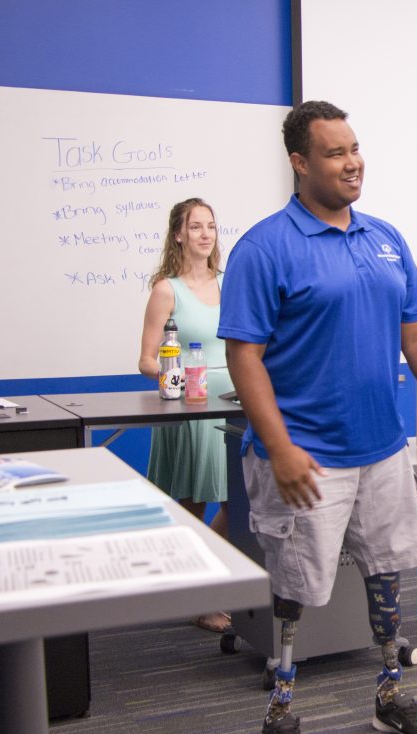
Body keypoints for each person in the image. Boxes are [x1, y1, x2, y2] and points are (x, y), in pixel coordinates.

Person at [218, 100, 417, 734]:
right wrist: (276, 447)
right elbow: (243, 356)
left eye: (355, 147)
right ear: (300, 163)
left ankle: (390, 691)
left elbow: (415, 331)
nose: (352, 161)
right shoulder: (265, 247)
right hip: (306, 454)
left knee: (385, 569)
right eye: (334, 152)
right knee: (295, 587)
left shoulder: (385, 238)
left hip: (382, 448)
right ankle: (278, 714)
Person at [138, 197, 233, 633]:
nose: (205, 234)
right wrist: (177, 379)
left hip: (233, 400)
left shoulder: (231, 283)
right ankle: (201, 599)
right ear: (179, 234)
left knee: (240, 501)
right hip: (190, 405)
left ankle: (211, 582)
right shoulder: (166, 289)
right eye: (195, 227)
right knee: (193, 502)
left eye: (210, 226)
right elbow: (146, 360)